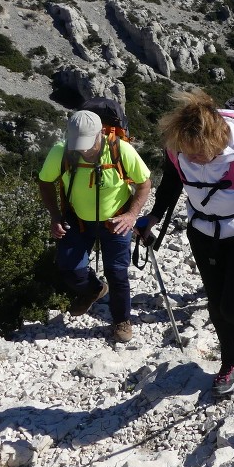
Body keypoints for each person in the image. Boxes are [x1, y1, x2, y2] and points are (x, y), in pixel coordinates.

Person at [136, 90, 234, 396]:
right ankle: (232, 361)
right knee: (216, 304)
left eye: (199, 153)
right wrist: (154, 217)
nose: (192, 158)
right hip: (203, 234)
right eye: (187, 152)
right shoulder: (179, 150)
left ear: (216, 140)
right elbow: (171, 183)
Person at [38, 109, 151, 343]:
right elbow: (45, 182)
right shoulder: (62, 152)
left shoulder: (121, 150)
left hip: (115, 220)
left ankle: (121, 320)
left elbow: (144, 183)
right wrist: (55, 216)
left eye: (87, 144)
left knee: (117, 273)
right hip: (77, 219)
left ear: (101, 133)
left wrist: (131, 215)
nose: (83, 150)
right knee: (70, 267)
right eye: (77, 144)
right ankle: (94, 290)